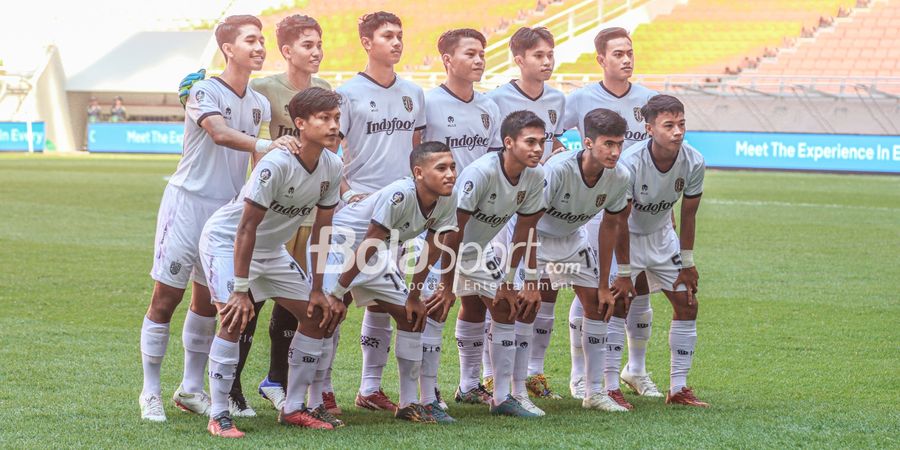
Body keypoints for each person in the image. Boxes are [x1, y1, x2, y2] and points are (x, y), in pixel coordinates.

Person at [138, 15, 297, 422]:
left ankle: (190, 390)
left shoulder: (259, 103)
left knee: (208, 302)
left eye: (262, 40)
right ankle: (150, 391)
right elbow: (220, 134)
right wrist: (268, 142)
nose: (260, 47)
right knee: (166, 298)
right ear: (228, 48)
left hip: (225, 213)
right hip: (187, 203)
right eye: (250, 40)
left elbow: (256, 158)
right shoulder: (203, 90)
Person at [199, 87, 346, 437]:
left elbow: (321, 232)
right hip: (227, 243)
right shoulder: (277, 163)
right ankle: (219, 413)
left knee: (315, 316)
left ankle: (294, 407)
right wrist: (239, 290)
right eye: (324, 118)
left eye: (337, 118)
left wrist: (317, 289)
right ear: (300, 123)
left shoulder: (333, 166)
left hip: (272, 251)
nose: (333, 126)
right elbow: (245, 228)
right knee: (234, 319)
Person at [323, 141, 458, 423]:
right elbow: (369, 240)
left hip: (375, 251)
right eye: (441, 168)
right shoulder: (400, 194)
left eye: (452, 167)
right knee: (327, 315)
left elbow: (432, 248)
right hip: (342, 245)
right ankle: (320, 392)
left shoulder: (447, 197)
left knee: (410, 317)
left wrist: (413, 296)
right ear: (419, 173)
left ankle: (410, 403)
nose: (450, 174)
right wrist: (338, 292)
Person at [424, 110, 546, 417]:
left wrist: (512, 281)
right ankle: (427, 395)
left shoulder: (535, 175)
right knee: (436, 310)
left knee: (505, 308)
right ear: (508, 142)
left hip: (477, 249)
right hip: (439, 245)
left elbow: (525, 231)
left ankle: (500, 397)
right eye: (529, 141)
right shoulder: (481, 173)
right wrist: (446, 285)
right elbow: (453, 230)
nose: (537, 149)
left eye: (541, 142)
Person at [561, 27, 659, 401]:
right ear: (601, 59)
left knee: (638, 286)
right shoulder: (581, 98)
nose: (627, 59)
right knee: (591, 288)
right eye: (618, 53)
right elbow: (552, 135)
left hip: (638, 210)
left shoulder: (648, 99)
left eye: (630, 52)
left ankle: (635, 369)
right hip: (594, 209)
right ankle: (582, 377)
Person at [335, 11, 426, 412]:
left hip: (402, 213)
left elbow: (417, 148)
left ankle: (370, 387)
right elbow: (330, 150)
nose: (396, 41)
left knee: (383, 298)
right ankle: (322, 388)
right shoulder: (347, 93)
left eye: (400, 35)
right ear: (367, 43)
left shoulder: (414, 93)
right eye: (387, 35)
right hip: (360, 212)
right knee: (338, 296)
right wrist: (345, 192)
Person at [418, 27, 502, 415]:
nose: (479, 59)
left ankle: (469, 384)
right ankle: (426, 392)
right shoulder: (428, 102)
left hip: (479, 222)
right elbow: (414, 158)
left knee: (475, 301)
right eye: (470, 53)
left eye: (482, 53)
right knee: (435, 301)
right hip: (437, 221)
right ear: (447, 60)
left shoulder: (490, 108)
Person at [482, 26, 566, 399]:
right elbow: (491, 151)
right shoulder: (496, 99)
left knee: (543, 289)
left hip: (538, 206)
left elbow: (555, 141)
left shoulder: (559, 100)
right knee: (501, 290)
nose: (547, 61)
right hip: (502, 208)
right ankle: (489, 375)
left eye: (550, 54)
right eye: (538, 55)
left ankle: (533, 372)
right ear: (518, 59)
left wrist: (560, 153)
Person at [529, 108, 632, 412]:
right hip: (538, 239)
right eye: (608, 144)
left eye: (619, 144)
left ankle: (593, 392)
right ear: (588, 143)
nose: (615, 152)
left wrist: (603, 283)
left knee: (599, 306)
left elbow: (611, 226)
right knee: (522, 307)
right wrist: (531, 279)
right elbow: (529, 222)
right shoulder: (558, 170)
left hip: (573, 239)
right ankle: (515, 389)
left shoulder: (620, 176)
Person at [611, 94, 709, 408]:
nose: (678, 131)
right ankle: (611, 385)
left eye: (681, 124)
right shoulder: (629, 162)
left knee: (687, 303)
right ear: (650, 128)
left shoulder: (693, 160)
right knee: (618, 304)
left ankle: (678, 389)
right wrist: (624, 271)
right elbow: (620, 220)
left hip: (663, 237)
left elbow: (689, 213)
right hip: (627, 236)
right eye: (669, 125)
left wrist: (688, 261)